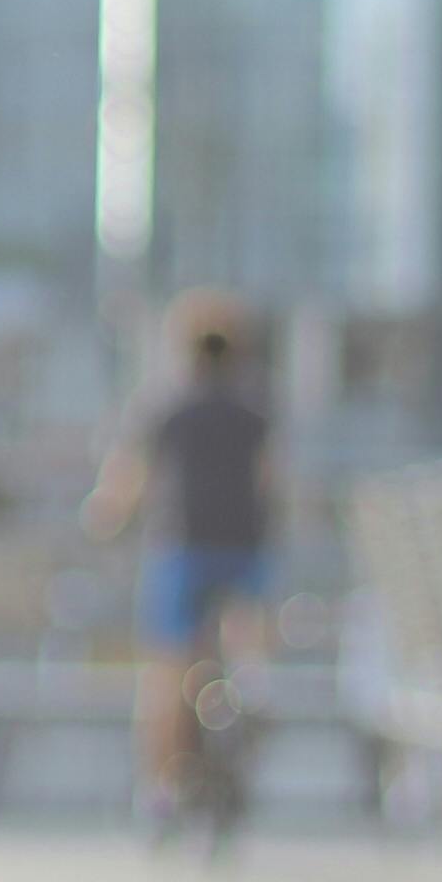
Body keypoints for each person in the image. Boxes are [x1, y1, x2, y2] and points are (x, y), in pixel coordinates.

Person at [81, 300, 277, 849]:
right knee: (244, 630)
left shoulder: (165, 407)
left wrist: (105, 517)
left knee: (166, 671)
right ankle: (253, 685)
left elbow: (128, 479)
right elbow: (271, 480)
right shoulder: (255, 409)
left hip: (183, 548)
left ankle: (160, 789)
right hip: (245, 549)